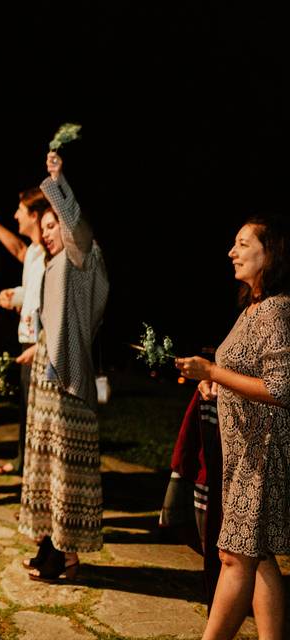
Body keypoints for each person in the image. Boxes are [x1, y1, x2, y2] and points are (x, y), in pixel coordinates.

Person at [175, 215, 290, 640]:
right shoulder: (252, 308)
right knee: (256, 556)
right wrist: (212, 383)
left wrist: (214, 373)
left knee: (233, 555)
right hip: (243, 451)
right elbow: (242, 374)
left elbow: (280, 388)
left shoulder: (276, 310)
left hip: (262, 452)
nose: (232, 252)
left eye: (242, 244)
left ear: (271, 253)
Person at [17, 151, 108, 582]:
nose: (49, 233)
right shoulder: (54, 265)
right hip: (47, 383)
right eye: (45, 226)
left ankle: (67, 559)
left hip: (68, 386)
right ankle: (46, 547)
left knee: (65, 475)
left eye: (54, 225)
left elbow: (78, 233)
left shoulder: (82, 260)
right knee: (43, 469)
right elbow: (53, 324)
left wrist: (56, 181)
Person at [0, 188, 50, 475]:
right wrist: (16, 295)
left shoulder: (50, 252)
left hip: (44, 342)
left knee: (39, 412)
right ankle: (25, 466)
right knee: (26, 407)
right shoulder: (36, 252)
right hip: (27, 337)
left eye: (20, 211)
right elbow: (34, 292)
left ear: (34, 215)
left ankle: (33, 471)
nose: (15, 216)